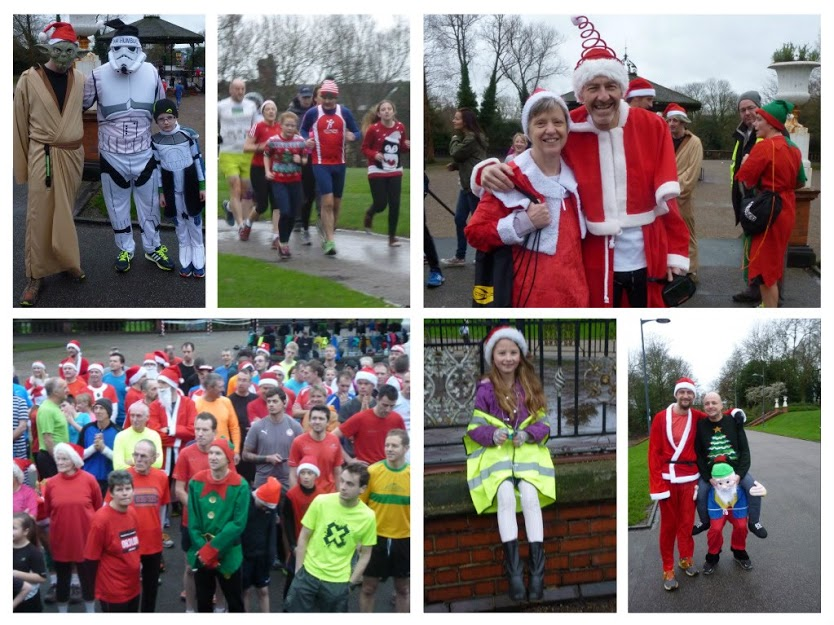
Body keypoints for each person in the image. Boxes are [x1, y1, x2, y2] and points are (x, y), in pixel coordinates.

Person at [476, 16, 689, 307]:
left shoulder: (652, 126)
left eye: (611, 86)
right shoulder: (568, 127)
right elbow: (530, 161)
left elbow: (668, 198)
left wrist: (675, 251)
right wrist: (485, 171)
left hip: (648, 251)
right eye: (593, 88)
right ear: (580, 94)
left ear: (622, 89)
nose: (603, 96)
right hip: (593, 254)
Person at [465, 89, 588, 307]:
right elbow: (475, 233)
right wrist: (522, 224)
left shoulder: (578, 172)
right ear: (528, 132)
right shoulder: (510, 176)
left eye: (558, 122)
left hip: (575, 297)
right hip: (527, 301)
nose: (551, 130)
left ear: (567, 128)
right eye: (541, 123)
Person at [463, 326, 555, 601]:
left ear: (521, 355)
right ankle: (514, 573)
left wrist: (528, 434)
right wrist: (492, 435)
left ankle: (537, 573)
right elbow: (474, 428)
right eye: (501, 353)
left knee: (529, 496)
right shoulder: (486, 389)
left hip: (526, 455)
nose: (507, 358)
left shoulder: (531, 385)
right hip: (498, 456)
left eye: (512, 352)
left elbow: (545, 425)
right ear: (493, 357)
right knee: (504, 494)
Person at [83, 20, 173, 273]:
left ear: (137, 48)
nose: (125, 55)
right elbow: (79, 105)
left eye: (130, 49)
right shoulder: (97, 74)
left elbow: (162, 110)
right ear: (113, 48)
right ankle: (125, 249)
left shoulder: (152, 73)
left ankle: (154, 247)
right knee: (116, 206)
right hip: (112, 155)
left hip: (144, 152)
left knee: (150, 206)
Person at [13, 21, 86, 306]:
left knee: (66, 212)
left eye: (71, 51)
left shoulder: (79, 79)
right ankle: (36, 275)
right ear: (49, 49)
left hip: (71, 156)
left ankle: (68, 260)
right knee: (39, 215)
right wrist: (20, 168)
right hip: (42, 155)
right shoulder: (28, 79)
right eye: (60, 50)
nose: (66, 56)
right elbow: (19, 124)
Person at [735, 100, 803, 308]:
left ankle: (770, 307)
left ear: (771, 123)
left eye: (759, 120)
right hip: (787, 207)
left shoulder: (764, 147)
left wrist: (746, 163)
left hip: (769, 209)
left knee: (765, 271)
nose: (755, 124)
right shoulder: (793, 148)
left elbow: (746, 181)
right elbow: (800, 182)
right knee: (773, 262)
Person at [284, 462, 377, 613]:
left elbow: (366, 553)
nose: (343, 487)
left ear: (362, 489)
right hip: (308, 575)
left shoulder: (368, 516)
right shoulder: (321, 501)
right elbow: (304, 537)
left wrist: (351, 583)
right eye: (342, 481)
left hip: (338, 583)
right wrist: (298, 572)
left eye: (350, 484)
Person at [648, 377, 705, 591]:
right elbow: (653, 453)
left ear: (693, 396)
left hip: (690, 478)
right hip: (667, 479)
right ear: (676, 394)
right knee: (668, 526)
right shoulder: (661, 418)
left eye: (689, 393)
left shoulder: (697, 417)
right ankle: (668, 567)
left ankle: (686, 558)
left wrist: (735, 413)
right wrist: (657, 487)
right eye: (682, 392)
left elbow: (717, 415)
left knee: (686, 523)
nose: (686, 396)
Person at [300, 78, 362, 255]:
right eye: (325, 97)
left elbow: (357, 131)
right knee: (326, 201)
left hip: (339, 164)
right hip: (320, 163)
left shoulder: (345, 112)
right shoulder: (313, 112)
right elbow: (303, 130)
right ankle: (330, 241)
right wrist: (306, 140)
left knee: (336, 204)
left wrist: (353, 136)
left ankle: (328, 233)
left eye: (331, 97)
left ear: (336, 97)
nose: (327, 101)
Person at [187, 438, 249, 613]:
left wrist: (211, 550)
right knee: (204, 603)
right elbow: (193, 521)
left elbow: (238, 523)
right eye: (211, 453)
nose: (212, 457)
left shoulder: (240, 485)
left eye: (218, 453)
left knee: (235, 602)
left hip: (228, 554)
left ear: (228, 458)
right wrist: (203, 550)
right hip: (201, 553)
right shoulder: (196, 482)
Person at [694, 392, 767, 539]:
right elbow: (699, 455)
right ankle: (704, 521)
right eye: (707, 403)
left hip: (736, 471)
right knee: (701, 493)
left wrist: (739, 475)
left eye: (714, 402)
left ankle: (754, 522)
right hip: (712, 474)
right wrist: (708, 478)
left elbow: (745, 451)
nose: (710, 406)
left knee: (753, 488)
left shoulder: (734, 422)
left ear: (722, 405)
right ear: (704, 407)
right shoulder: (700, 426)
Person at [43, 442, 102, 613]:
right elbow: (48, 510)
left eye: (64, 459)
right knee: (63, 579)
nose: (60, 462)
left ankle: (90, 612)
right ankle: (63, 613)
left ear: (74, 460)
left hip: (85, 539)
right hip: (61, 539)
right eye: (58, 459)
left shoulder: (89, 479)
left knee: (87, 579)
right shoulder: (52, 483)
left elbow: (98, 507)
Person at [112, 440, 170, 612]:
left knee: (151, 588)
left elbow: (163, 506)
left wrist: (160, 532)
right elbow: (109, 509)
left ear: (154, 458)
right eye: (135, 454)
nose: (138, 459)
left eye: (143, 456)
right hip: (128, 542)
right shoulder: (122, 477)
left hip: (153, 543)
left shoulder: (161, 477)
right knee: (128, 589)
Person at [152, 98, 207, 278]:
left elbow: (198, 161)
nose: (166, 122)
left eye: (169, 117)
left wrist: (202, 186)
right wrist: (161, 192)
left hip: (190, 187)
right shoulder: (156, 141)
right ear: (156, 121)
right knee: (180, 223)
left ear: (176, 117)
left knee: (194, 220)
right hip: (171, 190)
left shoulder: (188, 135)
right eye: (161, 119)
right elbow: (158, 168)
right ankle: (186, 256)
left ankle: (199, 255)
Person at [359, 429, 410, 613]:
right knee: (368, 588)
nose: (389, 449)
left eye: (394, 445)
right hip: (375, 539)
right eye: (387, 445)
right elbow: (360, 509)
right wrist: (359, 539)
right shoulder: (372, 472)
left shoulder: (413, 475)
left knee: (403, 590)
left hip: (404, 539)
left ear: (406, 448)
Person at [172, 412, 215, 613]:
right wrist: (197, 509)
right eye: (197, 429)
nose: (199, 433)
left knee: (218, 566)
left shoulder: (222, 453)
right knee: (191, 567)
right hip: (192, 522)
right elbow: (178, 489)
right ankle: (190, 610)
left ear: (214, 432)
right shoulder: (185, 454)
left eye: (205, 430)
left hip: (217, 522)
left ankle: (220, 608)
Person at [84, 470, 141, 612]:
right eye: (119, 489)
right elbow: (91, 558)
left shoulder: (132, 512)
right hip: (112, 590)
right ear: (111, 493)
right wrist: (93, 589)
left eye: (128, 489)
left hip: (133, 586)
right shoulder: (101, 520)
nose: (125, 493)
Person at [441, 107, 488, 267]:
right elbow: (468, 158)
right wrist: (456, 166)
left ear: (465, 121)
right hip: (466, 185)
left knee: (477, 222)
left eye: (457, 118)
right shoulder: (470, 137)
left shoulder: (472, 138)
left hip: (474, 186)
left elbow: (457, 153)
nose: (454, 121)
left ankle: (483, 255)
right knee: (460, 218)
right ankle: (460, 256)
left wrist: (454, 138)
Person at [361, 99, 410, 247]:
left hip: (395, 169)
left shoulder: (400, 127)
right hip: (377, 169)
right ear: (379, 113)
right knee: (381, 204)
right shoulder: (373, 129)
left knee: (395, 204)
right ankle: (370, 213)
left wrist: (408, 146)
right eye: (383, 109)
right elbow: (364, 148)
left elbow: (400, 147)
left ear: (394, 112)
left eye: (389, 109)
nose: (387, 111)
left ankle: (392, 238)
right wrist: (374, 154)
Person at [731, 91, 764, 304]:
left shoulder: (768, 131)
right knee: (750, 245)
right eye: (743, 110)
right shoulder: (743, 133)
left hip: (761, 199)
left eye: (751, 108)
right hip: (746, 198)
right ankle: (754, 288)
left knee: (764, 249)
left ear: (759, 107)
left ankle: (771, 294)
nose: (747, 113)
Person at [665, 103, 704, 281]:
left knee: (687, 234)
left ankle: (691, 271)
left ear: (683, 122)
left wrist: (671, 187)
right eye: (670, 120)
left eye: (676, 120)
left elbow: (692, 173)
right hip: (663, 198)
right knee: (666, 235)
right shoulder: (663, 138)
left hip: (681, 198)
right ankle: (672, 269)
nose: (672, 123)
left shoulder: (694, 142)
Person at [263, 110, 309, 258]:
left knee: (294, 214)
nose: (290, 128)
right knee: (285, 212)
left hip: (295, 181)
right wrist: (267, 171)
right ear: (281, 125)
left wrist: (300, 160)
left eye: (293, 125)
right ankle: (283, 244)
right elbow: (266, 154)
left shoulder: (300, 141)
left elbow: (305, 159)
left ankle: (284, 242)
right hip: (279, 181)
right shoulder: (273, 141)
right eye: (287, 125)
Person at [701, 463, 761, 574]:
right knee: (716, 529)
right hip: (717, 501)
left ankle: (739, 551)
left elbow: (744, 456)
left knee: (741, 526)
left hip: (737, 501)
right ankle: (713, 554)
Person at [240, 100, 284, 242]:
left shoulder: (280, 128)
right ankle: (247, 225)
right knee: (262, 205)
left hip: (276, 169)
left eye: (273, 109)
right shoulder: (257, 127)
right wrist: (263, 146)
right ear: (263, 112)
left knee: (277, 203)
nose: (271, 111)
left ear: (276, 112)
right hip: (258, 169)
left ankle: (276, 236)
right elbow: (246, 147)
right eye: (268, 109)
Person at [242, 386, 303, 489]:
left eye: (275, 401)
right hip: (263, 480)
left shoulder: (295, 427)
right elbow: (245, 455)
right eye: (269, 401)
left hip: (287, 481)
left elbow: (302, 455)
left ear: (284, 403)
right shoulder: (258, 426)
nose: (271, 405)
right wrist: (267, 458)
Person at [218, 78, 258, 228]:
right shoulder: (221, 106)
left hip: (246, 152)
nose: (240, 92)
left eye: (242, 89)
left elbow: (256, 127)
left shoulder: (251, 105)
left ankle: (230, 209)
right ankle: (241, 225)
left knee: (246, 191)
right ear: (230, 90)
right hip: (228, 152)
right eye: (237, 89)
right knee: (235, 186)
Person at [334, 383, 406, 464]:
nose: (388, 410)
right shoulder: (360, 418)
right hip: (366, 469)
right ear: (377, 399)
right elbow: (333, 436)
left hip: (388, 469)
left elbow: (405, 443)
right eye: (385, 405)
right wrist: (349, 460)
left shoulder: (397, 419)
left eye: (392, 406)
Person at [241, 476, 281, 612]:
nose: (265, 509)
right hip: (244, 556)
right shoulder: (244, 504)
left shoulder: (270, 508)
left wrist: (271, 556)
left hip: (262, 557)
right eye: (263, 505)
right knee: (245, 591)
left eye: (268, 508)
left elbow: (272, 533)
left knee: (263, 591)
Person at [288, 85, 317, 245]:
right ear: (298, 97)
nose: (306, 100)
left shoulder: (316, 111)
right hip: (295, 153)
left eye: (309, 97)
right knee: (297, 187)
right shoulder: (292, 112)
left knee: (309, 189)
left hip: (311, 155)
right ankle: (297, 218)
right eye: (304, 97)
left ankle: (302, 217)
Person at [289, 405, 343, 492]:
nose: (317, 421)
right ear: (309, 421)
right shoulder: (298, 442)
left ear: (328, 422)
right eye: (314, 418)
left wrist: (338, 494)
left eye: (321, 419)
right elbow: (293, 474)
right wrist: (294, 498)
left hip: (328, 493)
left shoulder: (334, 440)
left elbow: (337, 471)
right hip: (306, 494)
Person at [79, 397, 120, 495]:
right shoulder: (87, 429)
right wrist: (94, 447)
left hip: (109, 481)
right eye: (96, 408)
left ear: (108, 412)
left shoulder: (118, 431)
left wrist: (103, 449)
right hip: (88, 479)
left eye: (101, 408)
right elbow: (78, 456)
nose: (98, 411)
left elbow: (119, 459)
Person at [112, 402, 163, 470]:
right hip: (128, 479)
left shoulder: (154, 435)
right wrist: (145, 462)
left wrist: (131, 461)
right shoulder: (120, 436)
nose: (134, 419)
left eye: (138, 416)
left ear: (147, 417)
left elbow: (158, 464)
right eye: (132, 415)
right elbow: (118, 467)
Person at [13, 512, 47, 612]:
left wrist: (15, 573)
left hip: (27, 600)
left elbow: (42, 578)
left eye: (13, 528)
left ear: (25, 531)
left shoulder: (33, 552)